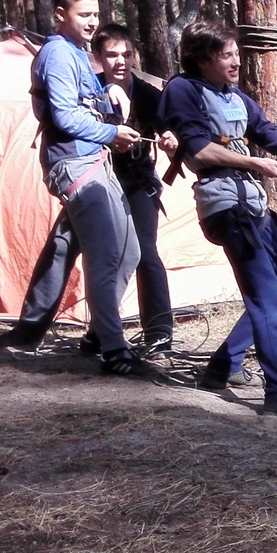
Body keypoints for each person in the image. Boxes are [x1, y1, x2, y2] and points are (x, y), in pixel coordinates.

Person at [161, 22, 277, 418]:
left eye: (236, 53)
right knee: (266, 298)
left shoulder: (236, 97)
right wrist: (252, 163)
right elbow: (199, 150)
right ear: (202, 59)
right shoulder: (183, 89)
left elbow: (273, 138)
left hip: (254, 207)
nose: (237, 62)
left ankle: (221, 367)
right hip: (225, 206)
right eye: (226, 55)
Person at [0, 0, 145, 374]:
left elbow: (84, 102)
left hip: (94, 161)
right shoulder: (58, 54)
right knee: (106, 255)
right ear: (61, 14)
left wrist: (109, 92)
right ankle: (113, 349)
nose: (93, 22)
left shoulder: (76, 52)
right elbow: (64, 116)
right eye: (84, 14)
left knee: (125, 251)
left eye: (96, 14)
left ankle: (74, 333)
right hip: (75, 165)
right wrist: (111, 132)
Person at [95, 26, 180, 356]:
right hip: (97, 183)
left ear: (135, 56)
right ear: (98, 57)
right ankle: (100, 332)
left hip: (138, 181)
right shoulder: (91, 90)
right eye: (112, 55)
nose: (120, 61)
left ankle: (159, 332)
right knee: (103, 256)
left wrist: (169, 138)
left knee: (145, 251)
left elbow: (167, 127)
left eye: (126, 54)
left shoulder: (146, 93)